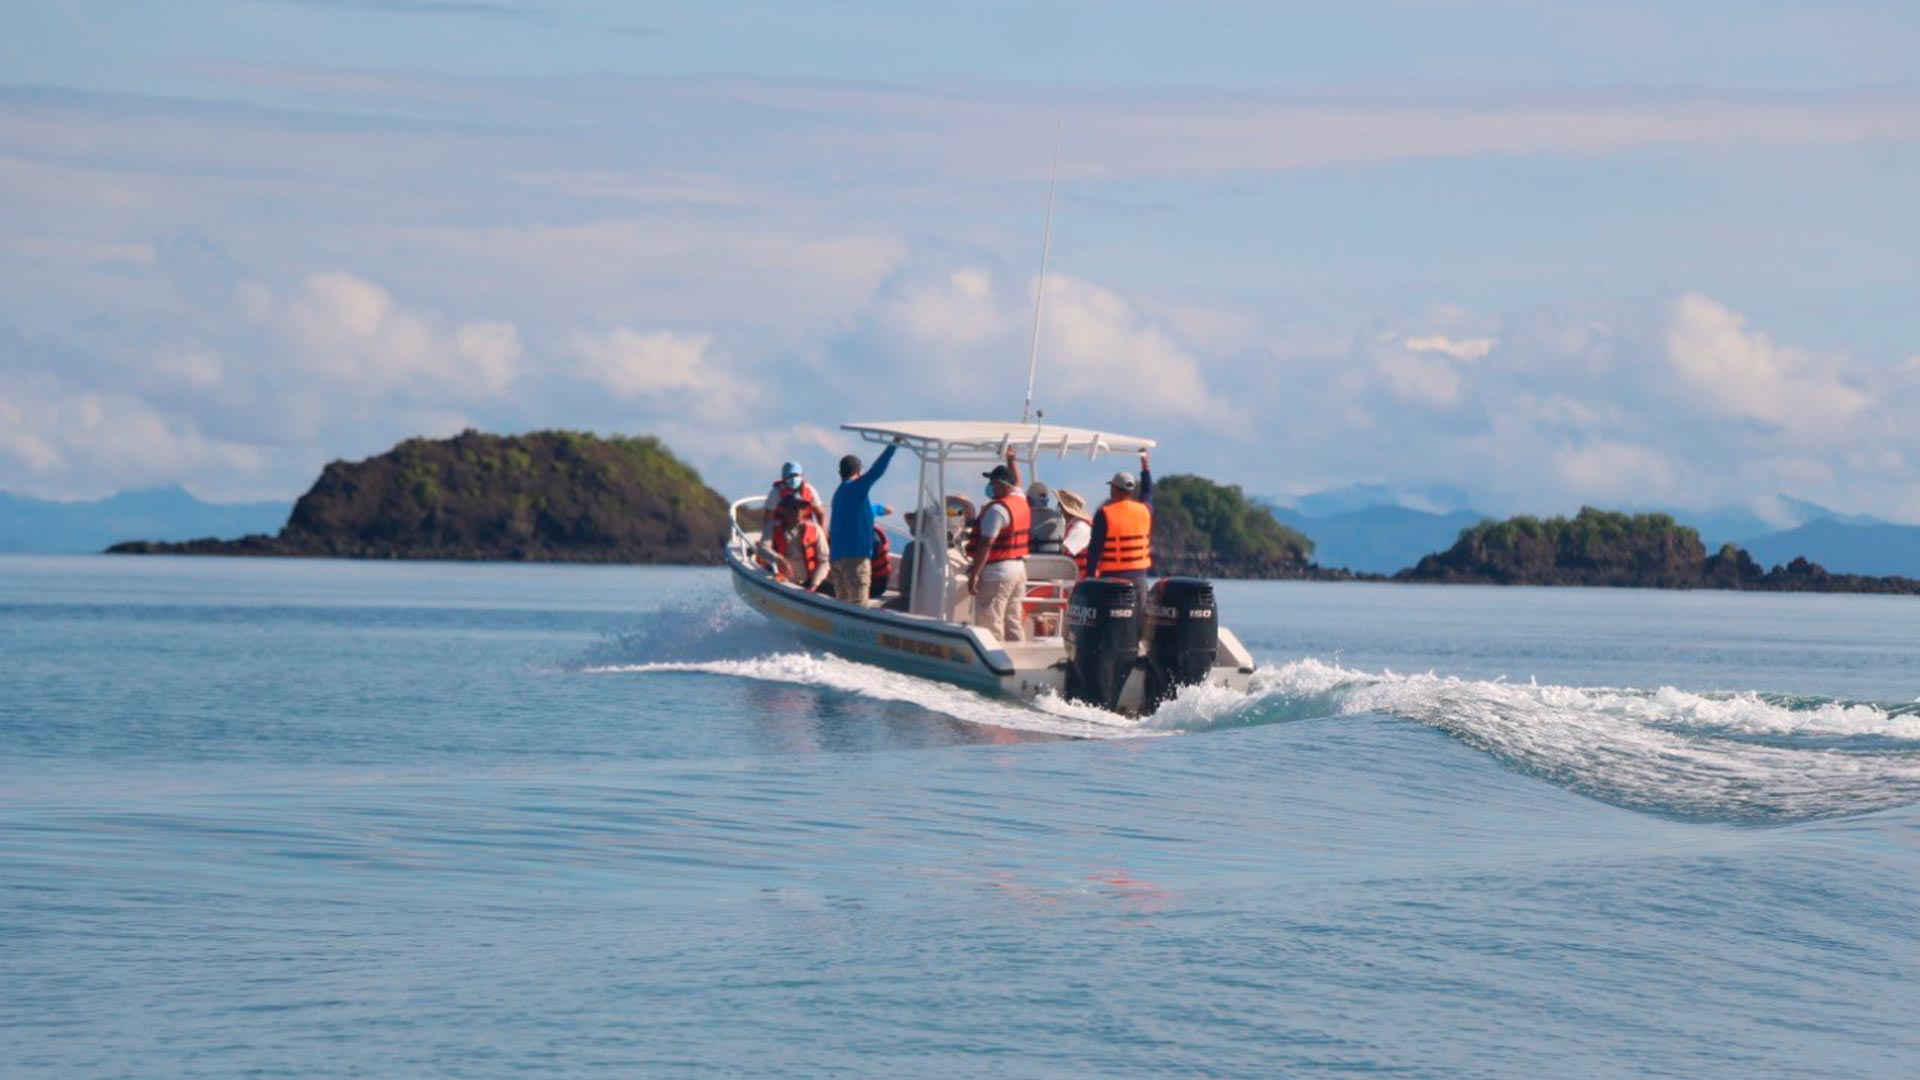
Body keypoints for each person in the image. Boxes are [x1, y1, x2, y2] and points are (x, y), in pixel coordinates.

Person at [827, 439, 900, 606]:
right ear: (858, 472)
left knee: (843, 607)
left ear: (840, 473)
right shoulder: (856, 488)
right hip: (855, 562)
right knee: (857, 607)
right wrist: (893, 446)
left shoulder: (839, 495)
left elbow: (865, 510)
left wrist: (881, 510)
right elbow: (877, 472)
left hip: (837, 560)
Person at [967, 462, 1030, 642]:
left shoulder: (997, 510)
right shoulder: (1020, 500)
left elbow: (986, 543)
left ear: (1003, 485)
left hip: (998, 571)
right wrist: (1012, 459)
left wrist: (974, 574)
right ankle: (1019, 659)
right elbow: (1018, 481)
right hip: (1018, 568)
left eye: (994, 483)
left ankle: (994, 659)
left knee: (990, 619)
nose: (991, 487)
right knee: (1012, 619)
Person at [1084, 451, 1154, 586]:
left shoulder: (1104, 514)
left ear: (1115, 490)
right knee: (1138, 607)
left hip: (1112, 578)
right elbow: (1148, 493)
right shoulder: (1145, 511)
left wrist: (1090, 577)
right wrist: (1145, 468)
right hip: (1139, 577)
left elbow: (1094, 549)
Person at [762, 461, 822, 543]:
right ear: (783, 477)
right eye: (789, 476)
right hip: (783, 529)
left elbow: (820, 513)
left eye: (796, 475)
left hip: (804, 529)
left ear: (801, 476)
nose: (793, 478)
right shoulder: (776, 492)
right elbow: (768, 517)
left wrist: (823, 535)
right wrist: (766, 537)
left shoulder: (810, 490)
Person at [772, 511, 829, 592]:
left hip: (810, 581)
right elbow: (765, 552)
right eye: (793, 508)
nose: (797, 512)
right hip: (784, 581)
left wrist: (814, 584)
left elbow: (825, 560)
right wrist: (781, 561)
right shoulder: (774, 529)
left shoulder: (815, 529)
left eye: (800, 507)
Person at [1055, 488, 1094, 576]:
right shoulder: (1071, 526)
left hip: (1081, 581)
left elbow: (1064, 550)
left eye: (1060, 506)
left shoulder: (1081, 528)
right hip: (1073, 579)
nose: (1059, 510)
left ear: (1065, 510)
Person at [1027, 481, 1066, 554]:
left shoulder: (1026, 517)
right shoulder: (1060, 518)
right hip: (1058, 560)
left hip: (1033, 560)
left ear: (1028, 500)